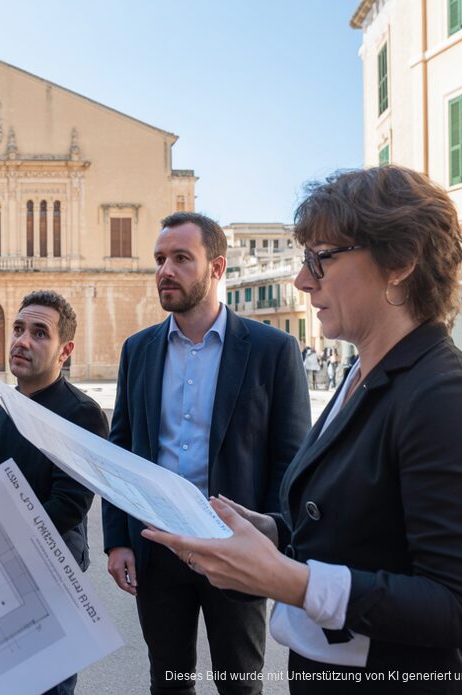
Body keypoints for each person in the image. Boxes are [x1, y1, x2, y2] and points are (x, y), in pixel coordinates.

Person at [143, 166, 462, 693]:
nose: (303, 279)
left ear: (401, 261)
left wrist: (289, 581)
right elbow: (357, 528)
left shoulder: (452, 397)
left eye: (321, 258)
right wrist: (271, 532)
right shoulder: (361, 374)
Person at [103, 211, 310, 695]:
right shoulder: (138, 350)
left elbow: (291, 459)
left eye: (181, 258)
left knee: (240, 684)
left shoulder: (272, 350)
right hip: (157, 544)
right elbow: (120, 450)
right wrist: (118, 540)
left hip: (235, 546)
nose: (165, 270)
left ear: (217, 268)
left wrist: (271, 541)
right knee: (169, 682)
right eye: (159, 259)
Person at [0, 290, 109, 695]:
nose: (22, 341)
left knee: (48, 685)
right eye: (18, 329)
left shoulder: (82, 413)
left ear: (65, 350)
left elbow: (69, 505)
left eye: (39, 333)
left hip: (52, 572)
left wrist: (3, 539)